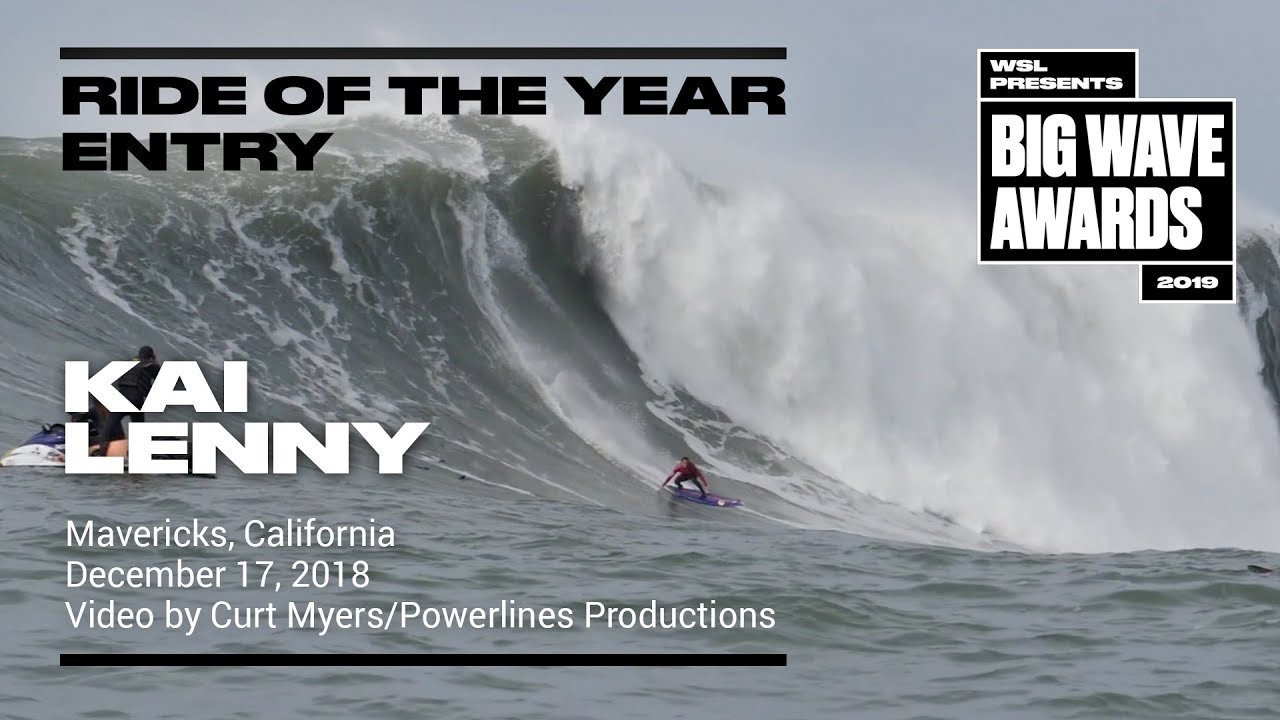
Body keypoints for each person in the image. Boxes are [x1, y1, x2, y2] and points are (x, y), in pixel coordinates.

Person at [92, 345, 162, 456]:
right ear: (151, 356)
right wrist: (155, 361)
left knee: (108, 428)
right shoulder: (151, 365)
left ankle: (102, 453)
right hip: (137, 400)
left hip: (122, 399)